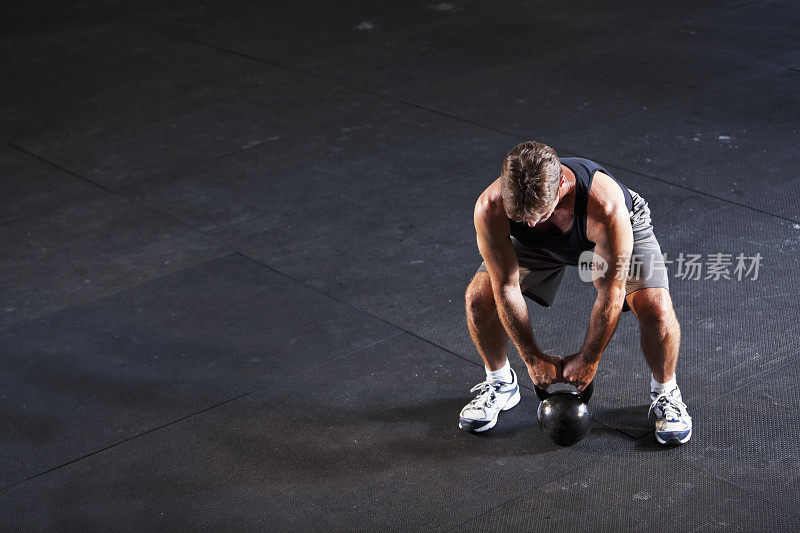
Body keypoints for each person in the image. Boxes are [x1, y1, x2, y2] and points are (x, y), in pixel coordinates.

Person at [459, 141, 692, 445]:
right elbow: (506, 285)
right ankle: (500, 382)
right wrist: (531, 358)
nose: (529, 222)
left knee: (655, 307)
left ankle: (666, 392)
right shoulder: (490, 207)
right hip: (535, 247)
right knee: (478, 299)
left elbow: (611, 292)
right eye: (521, 217)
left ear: (562, 188)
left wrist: (589, 358)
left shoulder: (605, 206)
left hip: (611, 232)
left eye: (537, 215)